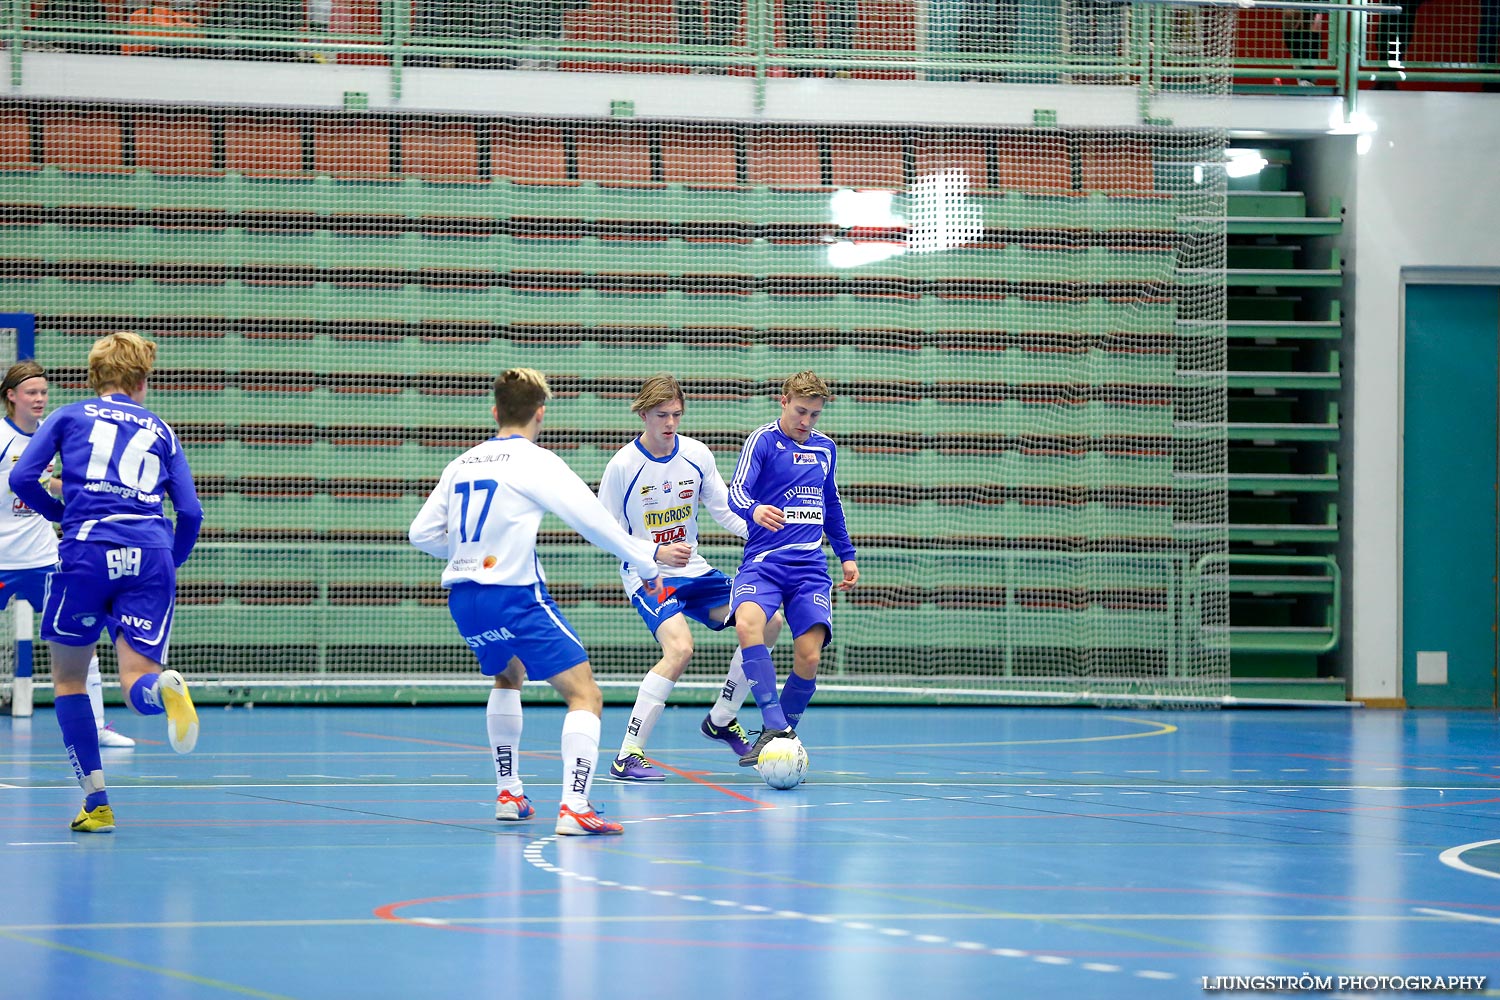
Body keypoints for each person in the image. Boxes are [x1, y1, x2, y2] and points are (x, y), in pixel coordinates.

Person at [408, 368, 691, 836]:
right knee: (585, 695)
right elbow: (596, 523)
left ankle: (508, 792)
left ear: (496, 411)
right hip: (514, 594)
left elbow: (420, 534)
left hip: (463, 597)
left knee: (509, 674)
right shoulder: (535, 461)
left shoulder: (461, 464)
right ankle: (575, 806)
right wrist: (647, 562)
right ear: (540, 413)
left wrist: (464, 553)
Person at [9, 333, 205, 834]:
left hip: (87, 550)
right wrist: (169, 563)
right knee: (135, 676)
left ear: (93, 378)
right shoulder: (161, 429)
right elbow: (189, 511)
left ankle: (97, 802)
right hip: (151, 552)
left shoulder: (69, 415)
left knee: (71, 680)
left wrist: (63, 512)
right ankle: (163, 689)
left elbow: (23, 479)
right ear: (142, 381)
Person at [596, 374, 785, 782]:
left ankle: (722, 717)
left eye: (676, 415)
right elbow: (605, 533)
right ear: (644, 414)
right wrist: (654, 552)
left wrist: (761, 525)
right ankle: (627, 753)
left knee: (768, 620)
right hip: (648, 574)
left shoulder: (697, 455)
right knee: (680, 649)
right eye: (661, 415)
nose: (669, 423)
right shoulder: (623, 466)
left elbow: (724, 509)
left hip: (695, 571)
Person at [725, 371, 858, 766]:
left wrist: (846, 554)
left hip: (810, 568)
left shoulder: (825, 449)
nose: (806, 421)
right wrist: (754, 509)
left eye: (815, 415)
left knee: (810, 656)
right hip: (764, 563)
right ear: (783, 401)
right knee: (749, 624)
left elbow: (831, 505)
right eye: (801, 411)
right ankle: (774, 725)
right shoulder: (763, 440)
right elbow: (736, 491)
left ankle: (780, 730)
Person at [2, 361, 136, 748]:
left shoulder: (50, 434)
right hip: (2, 558)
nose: (40, 398)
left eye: (44, 392)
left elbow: (50, 482)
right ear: (12, 396)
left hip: (43, 558)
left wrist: (74, 495)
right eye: (32, 393)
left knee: (80, 639)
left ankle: (95, 727)